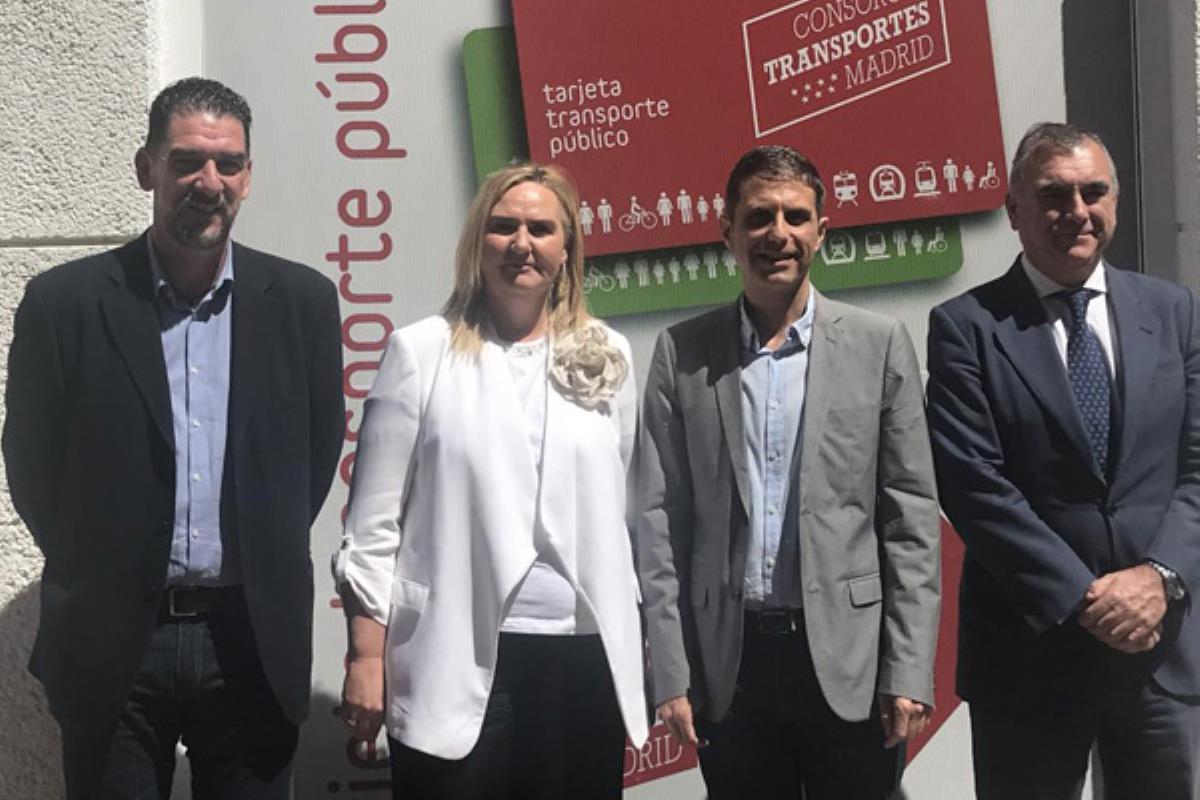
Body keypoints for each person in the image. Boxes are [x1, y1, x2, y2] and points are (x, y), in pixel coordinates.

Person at [2, 77, 345, 797]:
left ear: (247, 176)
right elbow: (30, 461)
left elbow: (314, 461)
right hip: (113, 641)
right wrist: (99, 561)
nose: (208, 182)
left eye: (228, 163)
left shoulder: (303, 304)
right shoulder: (65, 304)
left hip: (251, 638)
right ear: (146, 168)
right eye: (187, 161)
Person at [333, 162, 648, 799]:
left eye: (541, 229)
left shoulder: (609, 353)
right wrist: (365, 657)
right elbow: (371, 527)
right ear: (478, 242)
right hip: (454, 655)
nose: (521, 243)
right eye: (504, 227)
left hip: (581, 660)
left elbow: (627, 509)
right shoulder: (420, 352)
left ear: (567, 249)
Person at [637, 144, 941, 799]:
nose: (778, 233)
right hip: (730, 665)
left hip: (851, 661)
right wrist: (672, 669)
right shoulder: (682, 354)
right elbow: (660, 522)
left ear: (821, 231)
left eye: (795, 216)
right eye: (758, 217)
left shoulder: (878, 344)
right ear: (727, 231)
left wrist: (910, 667)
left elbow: (910, 519)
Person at [926, 122, 1200, 799]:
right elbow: (974, 487)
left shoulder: (1175, 312)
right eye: (1053, 195)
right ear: (1014, 210)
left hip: (1159, 652)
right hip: (1028, 658)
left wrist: (1159, 577)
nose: (1076, 211)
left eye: (1093, 192)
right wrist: (1087, 599)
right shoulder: (967, 327)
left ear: (1114, 202)